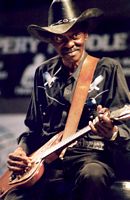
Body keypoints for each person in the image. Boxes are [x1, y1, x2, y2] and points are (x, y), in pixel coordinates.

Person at [4, 0, 130, 200]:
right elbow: (33, 130)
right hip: (47, 161)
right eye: (60, 39)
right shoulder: (42, 72)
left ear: (85, 34)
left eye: (75, 36)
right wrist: (22, 151)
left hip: (92, 157)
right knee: (13, 196)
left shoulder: (108, 68)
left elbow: (126, 126)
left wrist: (112, 132)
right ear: (52, 41)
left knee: (93, 176)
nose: (69, 44)